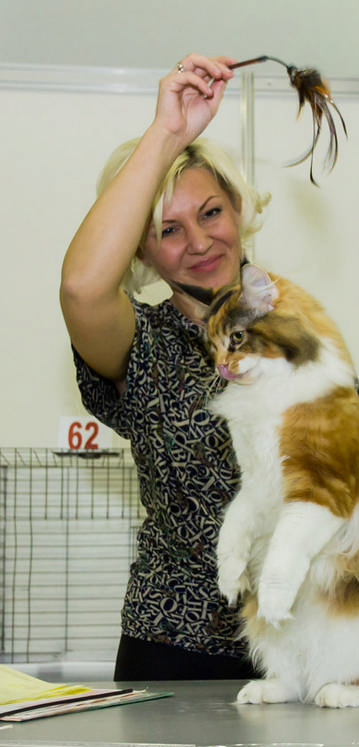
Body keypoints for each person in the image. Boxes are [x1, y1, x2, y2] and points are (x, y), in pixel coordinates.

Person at [60, 53, 271, 681]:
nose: (200, 242)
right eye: (168, 230)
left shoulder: (298, 326)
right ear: (142, 251)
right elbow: (81, 289)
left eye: (210, 213)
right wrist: (167, 132)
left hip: (316, 635)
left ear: (237, 210)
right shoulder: (142, 343)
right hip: (181, 647)